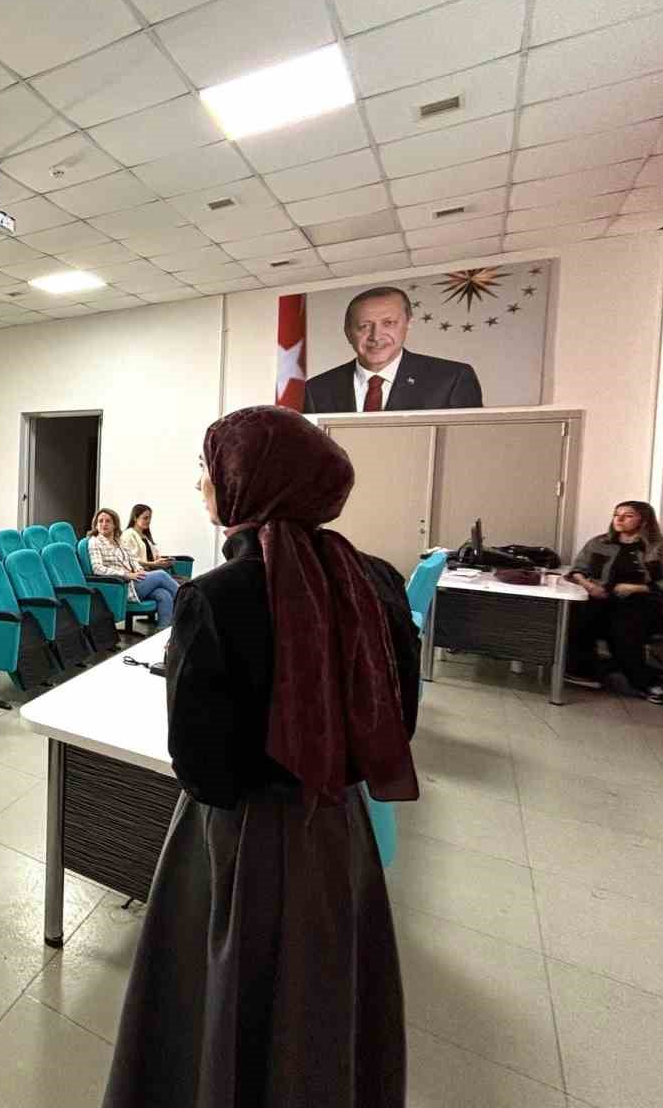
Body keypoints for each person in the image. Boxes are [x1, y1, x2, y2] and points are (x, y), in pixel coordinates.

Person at [103, 405, 419, 1108]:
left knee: (226, 999)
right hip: (337, 829)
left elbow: (202, 769)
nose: (201, 485)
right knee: (324, 1004)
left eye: (210, 471)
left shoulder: (215, 596)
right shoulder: (376, 581)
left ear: (253, 483)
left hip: (243, 838)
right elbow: (397, 723)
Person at [564, 500, 663, 703]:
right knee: (574, 616)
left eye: (628, 515)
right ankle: (583, 672)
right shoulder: (599, 542)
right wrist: (589, 586)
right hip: (600, 597)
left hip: (640, 602)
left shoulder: (657, 549)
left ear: (644, 521)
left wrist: (635, 588)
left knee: (623, 627)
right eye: (616, 515)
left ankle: (645, 684)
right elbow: (578, 569)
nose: (619, 519)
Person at [303, 286, 483, 413]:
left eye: (388, 323)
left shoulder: (452, 379)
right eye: (364, 326)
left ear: (408, 324)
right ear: (348, 332)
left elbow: (470, 446)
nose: (376, 336)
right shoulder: (316, 389)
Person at [88, 508, 178, 624]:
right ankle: (191, 601)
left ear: (115, 524)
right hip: (122, 585)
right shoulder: (94, 542)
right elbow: (97, 568)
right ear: (96, 525)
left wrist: (139, 570)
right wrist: (126, 574)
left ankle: (165, 631)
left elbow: (133, 560)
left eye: (108, 521)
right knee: (161, 575)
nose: (104, 524)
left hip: (135, 580)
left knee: (163, 595)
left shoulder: (119, 541)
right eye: (100, 521)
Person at [120, 504, 175, 573]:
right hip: (139, 574)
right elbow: (130, 560)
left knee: (182, 579)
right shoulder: (128, 534)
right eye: (145, 518)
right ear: (135, 518)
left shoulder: (145, 537)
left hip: (152, 571)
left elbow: (153, 557)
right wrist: (153, 564)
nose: (148, 521)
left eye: (150, 518)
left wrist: (163, 561)